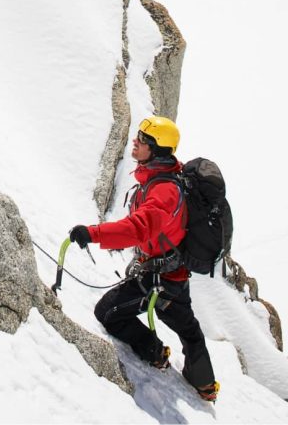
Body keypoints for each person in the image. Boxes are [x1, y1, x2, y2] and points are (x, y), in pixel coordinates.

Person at [68, 116, 219, 403]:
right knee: (188, 328)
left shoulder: (164, 191)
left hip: (158, 280)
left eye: (144, 140)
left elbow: (138, 228)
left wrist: (93, 233)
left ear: (157, 149)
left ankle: (154, 352)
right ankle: (205, 385)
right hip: (171, 277)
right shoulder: (159, 180)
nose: (135, 142)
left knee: (107, 312)